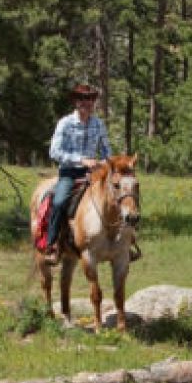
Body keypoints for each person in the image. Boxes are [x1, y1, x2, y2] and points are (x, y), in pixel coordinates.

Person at [45, 83, 112, 264]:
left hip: (94, 172)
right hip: (70, 172)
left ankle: (123, 243)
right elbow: (54, 152)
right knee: (59, 201)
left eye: (90, 99)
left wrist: (105, 162)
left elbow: (107, 151)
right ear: (76, 101)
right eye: (82, 98)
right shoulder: (65, 123)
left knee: (117, 196)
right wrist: (81, 160)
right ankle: (52, 244)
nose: (86, 102)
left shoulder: (99, 124)